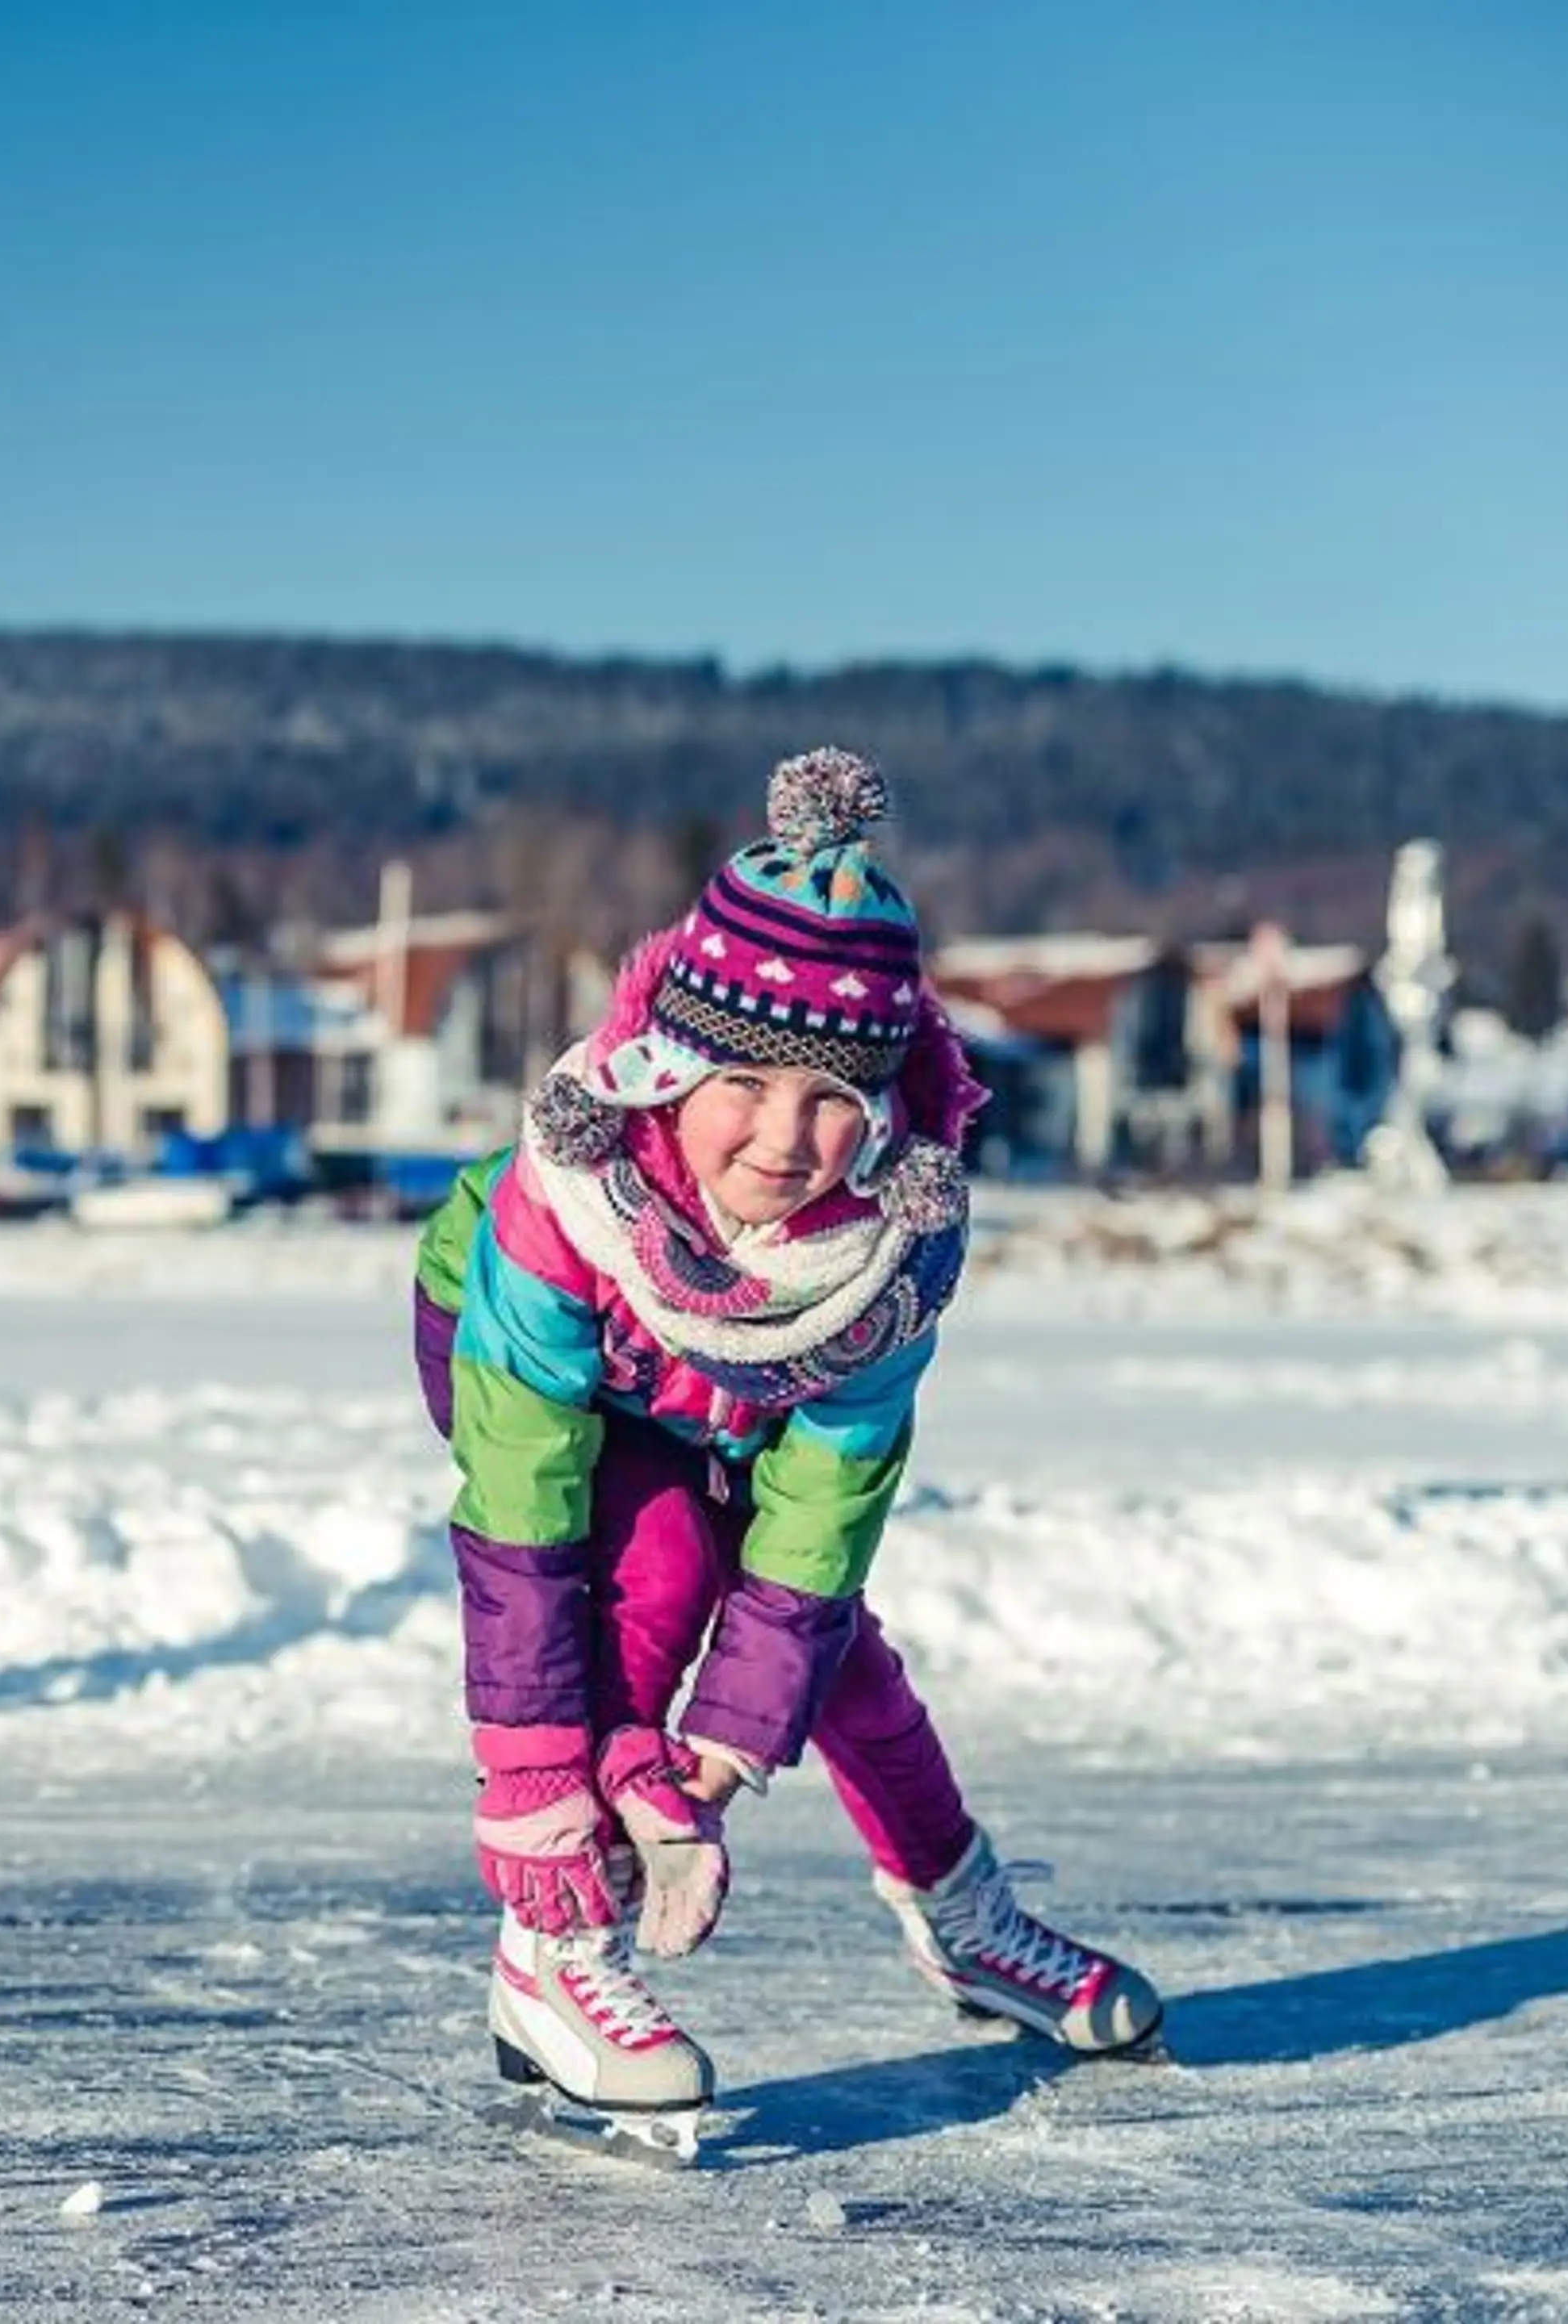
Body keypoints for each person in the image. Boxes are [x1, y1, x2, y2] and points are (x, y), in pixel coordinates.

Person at [412, 746, 1162, 2132]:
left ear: (883, 1119)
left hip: (741, 1385)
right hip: (543, 1356)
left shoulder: (888, 1259)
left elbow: (820, 1529)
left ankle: (965, 1914)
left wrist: (728, 1749)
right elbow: (521, 1531)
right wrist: (540, 1791)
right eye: (743, 1084)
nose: (785, 1135)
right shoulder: (564, 1200)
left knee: (830, 1651)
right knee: (648, 1565)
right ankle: (554, 1944)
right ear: (662, 1068)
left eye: (833, 1099)